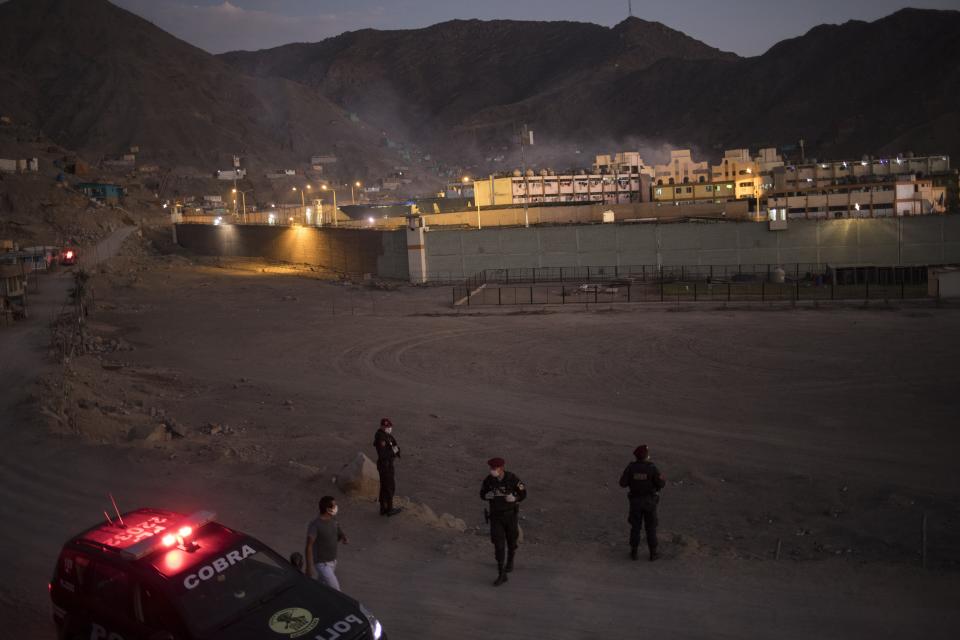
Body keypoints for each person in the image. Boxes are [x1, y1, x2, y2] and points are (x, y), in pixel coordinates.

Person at [480, 457, 527, 586]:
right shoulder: (489, 480)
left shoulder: (512, 479)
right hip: (496, 517)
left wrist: (515, 498)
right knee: (498, 545)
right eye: (491, 468)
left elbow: (523, 493)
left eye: (494, 469)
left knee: (512, 540)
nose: (492, 471)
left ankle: (510, 559)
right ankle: (501, 573)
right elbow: (482, 493)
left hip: (510, 516)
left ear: (501, 468)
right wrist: (485, 496)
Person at [619, 444, 666, 561]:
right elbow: (661, 484)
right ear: (646, 456)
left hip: (635, 502)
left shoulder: (631, 468)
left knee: (635, 527)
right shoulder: (652, 468)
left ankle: (634, 552)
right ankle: (653, 554)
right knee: (651, 527)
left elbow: (622, 483)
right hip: (649, 502)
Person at [305, 496, 349, 590]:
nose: (336, 507)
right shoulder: (315, 525)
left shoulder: (333, 520)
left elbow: (338, 529)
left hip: (333, 561)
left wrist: (343, 536)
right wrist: (309, 567)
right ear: (328, 509)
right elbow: (309, 546)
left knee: (321, 586)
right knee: (336, 590)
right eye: (334, 506)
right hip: (322, 564)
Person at [373, 418, 403, 516]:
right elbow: (383, 454)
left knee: (385, 487)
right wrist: (393, 452)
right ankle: (389, 509)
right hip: (385, 466)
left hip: (388, 464)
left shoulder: (387, 436)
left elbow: (394, 444)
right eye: (387, 427)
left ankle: (384, 508)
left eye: (390, 427)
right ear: (382, 426)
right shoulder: (381, 438)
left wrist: (397, 451)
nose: (389, 428)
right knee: (389, 487)